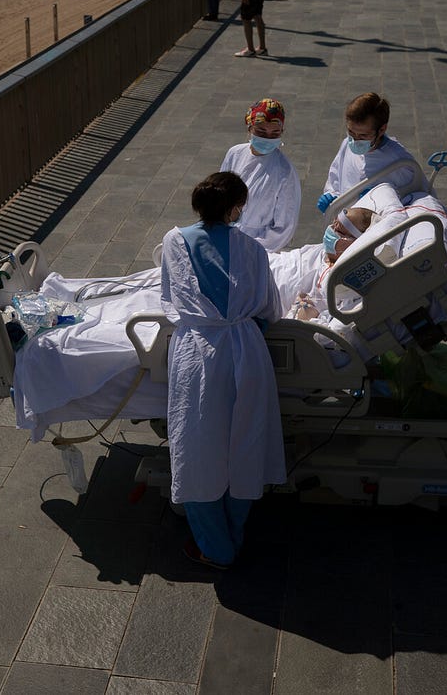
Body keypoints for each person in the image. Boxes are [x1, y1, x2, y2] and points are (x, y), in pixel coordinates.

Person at [160, 171, 283, 570]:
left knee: (198, 448)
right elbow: (270, 309)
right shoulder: (254, 250)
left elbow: (169, 302)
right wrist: (248, 325)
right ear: (235, 209)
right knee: (245, 444)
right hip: (247, 352)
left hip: (198, 356)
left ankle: (215, 546)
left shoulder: (174, 242)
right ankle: (235, 528)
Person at [315, 92, 419, 215]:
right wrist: (331, 196)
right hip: (344, 223)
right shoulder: (346, 145)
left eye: (363, 135)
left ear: (381, 129)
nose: (355, 140)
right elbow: (336, 179)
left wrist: (378, 200)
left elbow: (415, 198)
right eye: (351, 132)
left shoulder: (399, 161)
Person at [219, 98, 301, 252]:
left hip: (258, 247)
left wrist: (250, 249)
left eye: (275, 133)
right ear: (249, 128)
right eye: (261, 132)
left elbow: (284, 227)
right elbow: (219, 197)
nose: (267, 138)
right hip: (224, 236)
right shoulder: (235, 154)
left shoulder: (284, 171)